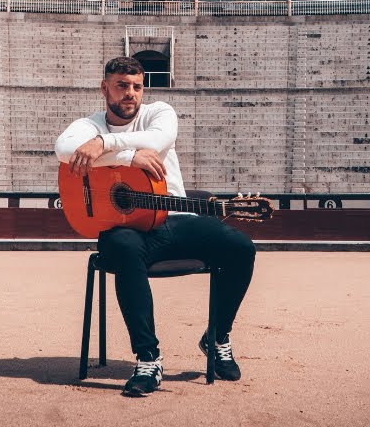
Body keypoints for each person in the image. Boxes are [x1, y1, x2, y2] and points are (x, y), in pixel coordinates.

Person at [54, 56, 256, 397]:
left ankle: (217, 336)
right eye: (121, 86)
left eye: (136, 86)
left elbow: (159, 139)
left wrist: (104, 145)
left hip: (175, 219)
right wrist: (127, 158)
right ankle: (148, 358)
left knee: (240, 247)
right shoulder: (87, 124)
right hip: (125, 228)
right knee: (121, 247)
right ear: (105, 89)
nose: (130, 94)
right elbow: (64, 149)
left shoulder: (159, 112)